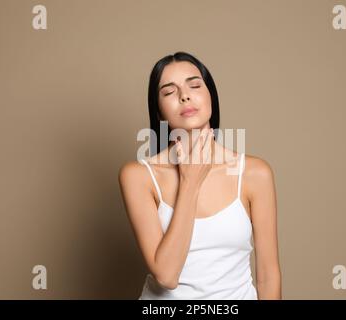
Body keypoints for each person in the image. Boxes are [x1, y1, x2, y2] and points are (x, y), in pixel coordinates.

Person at [119, 52, 281, 299]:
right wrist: (190, 181)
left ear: (210, 98)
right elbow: (167, 275)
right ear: (160, 112)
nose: (185, 95)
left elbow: (268, 276)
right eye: (169, 92)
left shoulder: (254, 173)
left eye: (194, 85)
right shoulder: (138, 176)